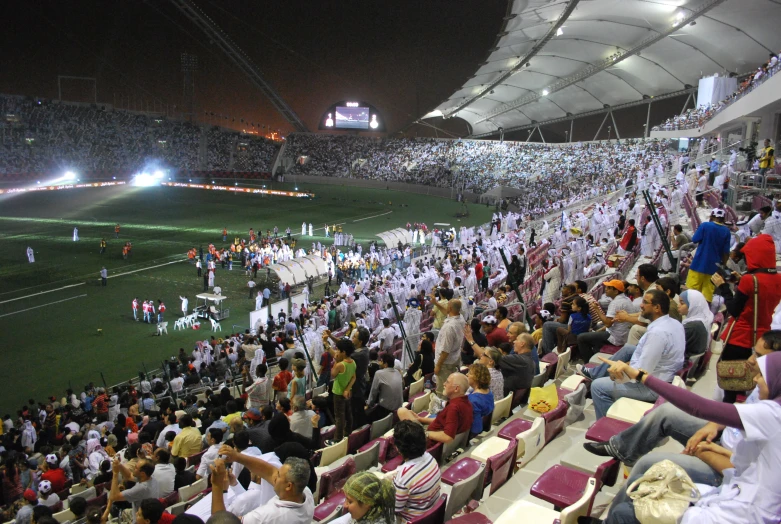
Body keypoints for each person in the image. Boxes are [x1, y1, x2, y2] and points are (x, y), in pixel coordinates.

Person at [585, 351, 781, 524]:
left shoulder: (773, 414)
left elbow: (698, 407)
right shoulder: (770, 407)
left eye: (763, 375)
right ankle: (619, 450)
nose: (755, 378)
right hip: (733, 476)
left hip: (736, 499)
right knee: (664, 420)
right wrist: (717, 446)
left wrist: (641, 376)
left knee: (635, 493)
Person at [583, 289, 685, 419]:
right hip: (664, 377)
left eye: (645, 302)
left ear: (657, 308)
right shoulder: (674, 323)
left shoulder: (657, 334)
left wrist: (619, 372)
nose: (641, 305)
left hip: (653, 387)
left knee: (598, 387)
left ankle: (609, 430)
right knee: (628, 349)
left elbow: (641, 373)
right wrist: (625, 364)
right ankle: (597, 373)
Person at [712, 233, 781, 402]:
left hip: (739, 338)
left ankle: (724, 422)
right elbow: (760, 296)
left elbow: (734, 310)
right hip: (763, 338)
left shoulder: (750, 280)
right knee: (753, 383)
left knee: (731, 386)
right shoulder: (778, 278)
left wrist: (723, 288)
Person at [210, 447, 314, 524]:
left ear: (288, 486)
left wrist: (217, 486)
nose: (274, 477)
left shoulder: (265, 517)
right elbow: (269, 471)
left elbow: (220, 521)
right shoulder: (306, 493)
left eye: (278, 475)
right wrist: (237, 457)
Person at [397, 373, 472, 446]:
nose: (444, 384)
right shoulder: (466, 403)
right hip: (430, 434)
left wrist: (425, 433)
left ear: (456, 389)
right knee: (406, 412)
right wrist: (420, 419)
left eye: (448, 382)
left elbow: (448, 437)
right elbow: (445, 422)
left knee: (402, 411)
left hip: (424, 441)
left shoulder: (454, 408)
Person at [390, 421, 441, 521]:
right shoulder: (430, 457)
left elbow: (395, 508)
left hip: (413, 520)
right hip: (431, 514)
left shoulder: (404, 476)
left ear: (397, 448)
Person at [577, 280, 638, 362]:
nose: (606, 289)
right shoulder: (626, 299)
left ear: (616, 291)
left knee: (581, 337)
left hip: (616, 337)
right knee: (597, 328)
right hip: (623, 334)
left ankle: (588, 363)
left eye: (609, 288)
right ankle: (595, 352)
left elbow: (608, 323)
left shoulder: (615, 303)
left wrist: (596, 309)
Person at [685, 209, 732, 302]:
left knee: (691, 292)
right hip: (713, 268)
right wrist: (723, 265)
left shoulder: (705, 225)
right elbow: (726, 252)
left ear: (711, 216)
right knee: (707, 294)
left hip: (698, 264)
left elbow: (694, 239)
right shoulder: (726, 231)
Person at [108, 456, 160, 523]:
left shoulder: (142, 488)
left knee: (114, 509)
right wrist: (119, 465)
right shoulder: (151, 477)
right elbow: (129, 476)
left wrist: (115, 473)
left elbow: (114, 497)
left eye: (135, 468)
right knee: (125, 511)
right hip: (145, 514)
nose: (133, 469)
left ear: (142, 473)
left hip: (139, 520)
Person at [331, 472, 396, 524]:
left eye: (350, 502)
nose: (345, 505)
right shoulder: (371, 511)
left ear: (366, 503)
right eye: (346, 499)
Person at [433, 299, 465, 397]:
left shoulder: (449, 327)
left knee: (443, 391)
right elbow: (447, 312)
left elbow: (445, 350)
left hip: (445, 363)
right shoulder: (460, 318)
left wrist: (438, 365)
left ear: (450, 308)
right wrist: (436, 303)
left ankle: (443, 409)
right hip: (454, 358)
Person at [329, 338, 356, 442]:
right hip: (348, 393)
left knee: (339, 417)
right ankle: (348, 433)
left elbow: (333, 374)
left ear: (343, 352)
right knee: (348, 414)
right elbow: (354, 377)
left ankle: (337, 439)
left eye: (338, 350)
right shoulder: (353, 362)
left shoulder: (340, 364)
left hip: (338, 393)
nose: (336, 352)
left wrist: (335, 361)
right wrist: (348, 389)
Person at [366, 354, 403, 423]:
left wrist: (368, 405)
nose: (379, 363)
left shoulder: (379, 373)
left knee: (366, 416)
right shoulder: (397, 372)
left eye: (381, 361)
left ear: (385, 364)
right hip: (399, 406)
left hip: (387, 408)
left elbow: (373, 392)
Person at [679, 289, 713, 358]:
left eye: (682, 303)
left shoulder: (692, 327)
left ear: (693, 305)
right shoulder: (703, 319)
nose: (678, 306)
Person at [466, 363, 494, 436]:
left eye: (470, 373)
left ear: (477, 378)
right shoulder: (489, 392)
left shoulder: (473, 401)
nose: (467, 375)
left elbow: (476, 429)